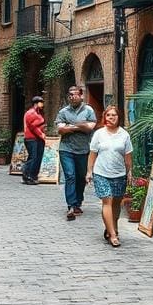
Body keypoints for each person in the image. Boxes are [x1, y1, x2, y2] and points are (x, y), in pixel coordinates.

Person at [85, 106, 132, 247]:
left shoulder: (124, 135)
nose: (111, 118)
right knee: (107, 201)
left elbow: (128, 157)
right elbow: (92, 154)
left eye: (114, 115)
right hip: (101, 173)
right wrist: (89, 171)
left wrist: (129, 172)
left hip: (119, 173)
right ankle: (113, 235)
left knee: (116, 203)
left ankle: (112, 226)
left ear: (119, 118)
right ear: (105, 117)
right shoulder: (99, 134)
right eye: (108, 115)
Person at [57, 86, 97, 220]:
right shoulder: (63, 111)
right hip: (66, 149)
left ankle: (78, 202)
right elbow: (61, 130)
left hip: (83, 150)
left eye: (75, 94)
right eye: (70, 95)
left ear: (81, 96)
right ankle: (71, 206)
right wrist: (80, 125)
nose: (72, 97)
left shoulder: (88, 110)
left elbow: (90, 128)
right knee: (70, 176)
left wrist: (70, 126)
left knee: (81, 177)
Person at [22, 96, 46, 185]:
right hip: (31, 138)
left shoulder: (38, 112)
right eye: (41, 102)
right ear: (36, 103)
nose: (42, 104)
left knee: (38, 157)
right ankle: (27, 175)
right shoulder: (31, 113)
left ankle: (33, 175)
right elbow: (33, 127)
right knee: (33, 157)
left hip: (37, 139)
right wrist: (41, 134)